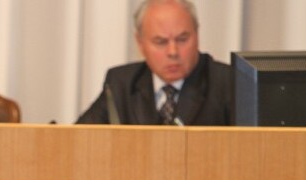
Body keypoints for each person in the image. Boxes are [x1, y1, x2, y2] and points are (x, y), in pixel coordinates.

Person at [76, 0, 232, 125]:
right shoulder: (121, 83)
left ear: (197, 35)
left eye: (182, 39)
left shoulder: (229, 83)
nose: (173, 52)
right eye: (161, 42)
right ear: (140, 43)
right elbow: (80, 138)